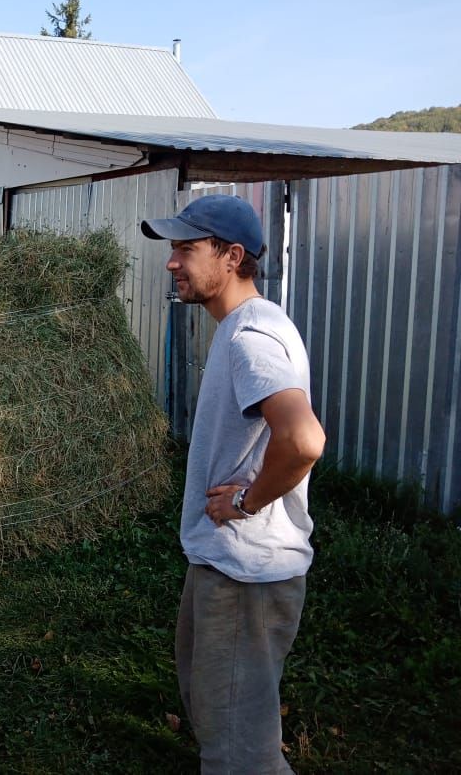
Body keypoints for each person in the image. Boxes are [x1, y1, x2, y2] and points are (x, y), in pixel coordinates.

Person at [141, 195, 326, 774]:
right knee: (214, 706)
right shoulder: (245, 326)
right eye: (172, 248)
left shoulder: (251, 338)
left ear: (232, 256)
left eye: (186, 249)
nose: (172, 262)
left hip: (248, 571)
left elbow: (303, 440)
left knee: (239, 748)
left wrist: (247, 501)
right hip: (227, 563)